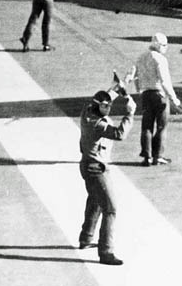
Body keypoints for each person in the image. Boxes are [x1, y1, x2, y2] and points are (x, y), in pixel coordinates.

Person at [78, 83, 136, 266]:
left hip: (87, 165)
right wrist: (130, 113)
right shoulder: (98, 124)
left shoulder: (87, 111)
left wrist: (116, 88)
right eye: (105, 106)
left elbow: (102, 98)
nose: (108, 108)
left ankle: (86, 238)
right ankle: (106, 252)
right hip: (96, 168)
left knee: (95, 199)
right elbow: (119, 134)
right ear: (98, 106)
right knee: (110, 208)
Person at [134, 33, 181, 166]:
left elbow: (136, 76)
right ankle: (158, 155)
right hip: (159, 94)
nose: (166, 48)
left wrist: (139, 89)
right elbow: (164, 81)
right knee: (161, 126)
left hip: (146, 94)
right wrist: (173, 98)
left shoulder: (141, 57)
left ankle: (146, 156)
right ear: (159, 45)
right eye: (165, 45)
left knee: (146, 126)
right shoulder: (160, 59)